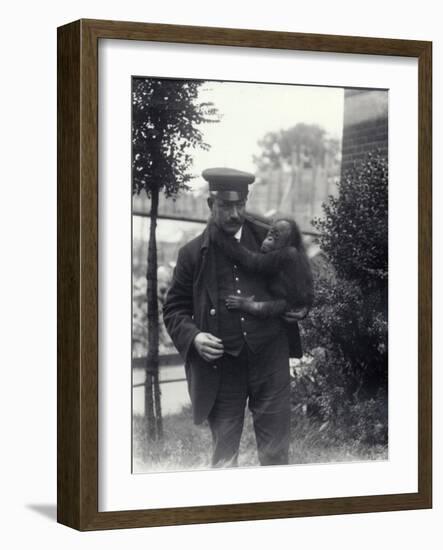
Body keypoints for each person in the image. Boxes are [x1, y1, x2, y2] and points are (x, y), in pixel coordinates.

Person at [163, 167, 306, 468]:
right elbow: (174, 308)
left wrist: (302, 305)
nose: (234, 214)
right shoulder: (192, 254)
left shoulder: (271, 236)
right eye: (226, 206)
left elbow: (302, 278)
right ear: (210, 205)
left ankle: (279, 510)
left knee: (276, 453)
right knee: (225, 455)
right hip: (222, 368)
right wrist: (195, 337)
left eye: (239, 205)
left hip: (270, 360)